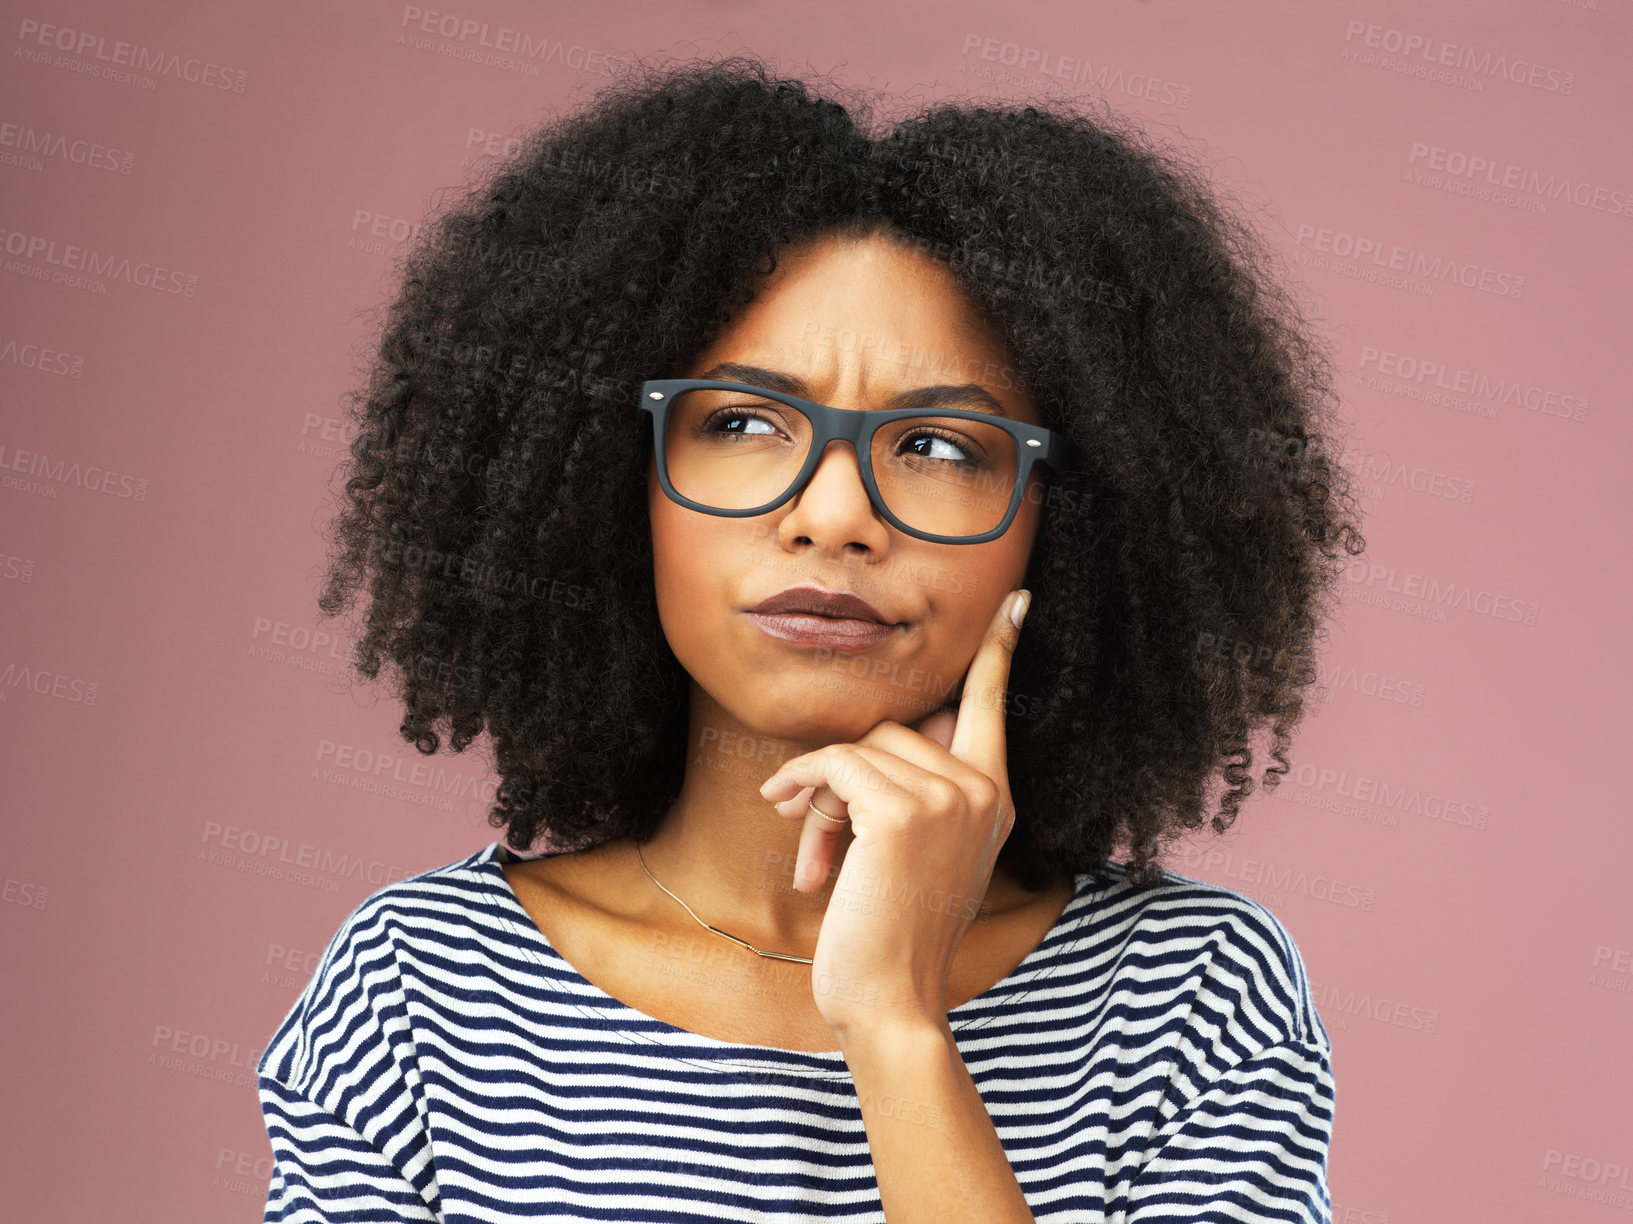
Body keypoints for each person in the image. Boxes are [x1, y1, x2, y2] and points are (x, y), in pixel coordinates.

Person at [257, 53, 1364, 1223]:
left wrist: (895, 1026)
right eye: (739, 422)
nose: (833, 516)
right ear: (608, 480)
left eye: (940, 446)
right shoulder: (419, 995)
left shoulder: (1193, 999)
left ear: (1072, 524)